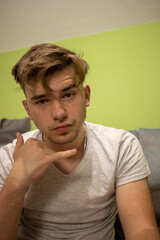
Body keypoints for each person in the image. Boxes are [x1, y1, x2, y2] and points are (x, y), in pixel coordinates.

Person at [0, 43, 159, 240]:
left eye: (68, 94)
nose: (59, 113)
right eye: (42, 101)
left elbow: (142, 230)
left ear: (86, 95)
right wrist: (18, 178)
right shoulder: (8, 157)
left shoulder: (121, 146)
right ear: (28, 110)